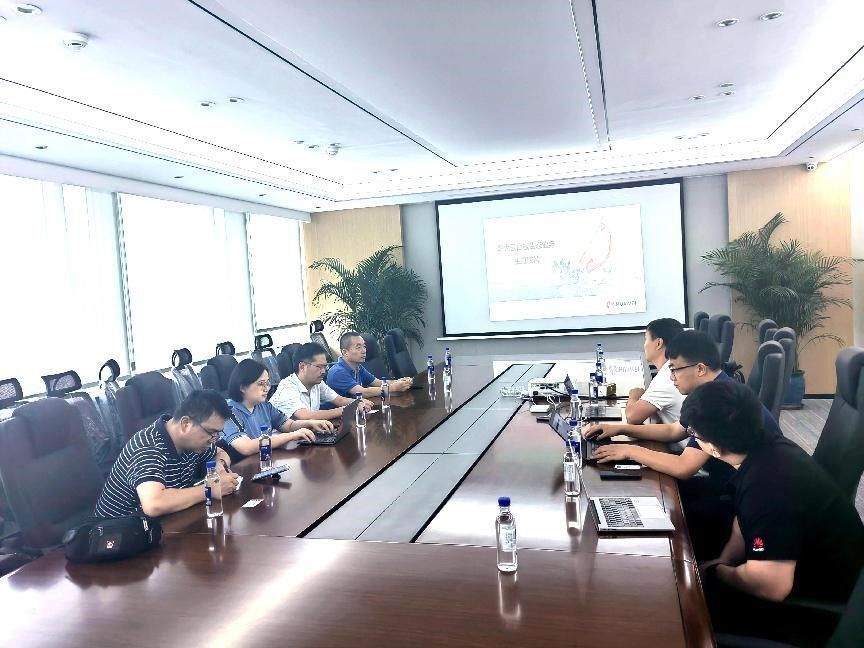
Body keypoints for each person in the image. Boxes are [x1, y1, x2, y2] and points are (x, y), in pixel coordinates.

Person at [687, 380, 864, 643]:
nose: (692, 439)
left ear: (713, 447)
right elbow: (744, 518)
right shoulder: (764, 447)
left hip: (822, 604)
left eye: (694, 434)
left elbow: (772, 585)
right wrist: (724, 560)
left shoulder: (766, 486)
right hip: (808, 566)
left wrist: (716, 573)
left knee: (681, 608)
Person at [586, 330, 781, 480]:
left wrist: (630, 451)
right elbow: (674, 431)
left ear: (700, 369)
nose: (672, 377)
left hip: (749, 491)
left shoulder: (716, 403)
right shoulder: (717, 389)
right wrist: (620, 429)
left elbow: (684, 467)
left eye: (674, 370)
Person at [94, 389, 240, 518]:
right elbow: (154, 504)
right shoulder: (148, 446)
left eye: (217, 434)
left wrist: (220, 468)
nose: (214, 439)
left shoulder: (193, 443)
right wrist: (211, 488)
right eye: (211, 433)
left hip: (164, 523)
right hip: (118, 532)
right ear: (185, 424)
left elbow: (220, 453)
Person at [219, 359, 333, 460]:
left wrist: (311, 423)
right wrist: (292, 435)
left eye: (268, 383)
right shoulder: (228, 412)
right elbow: (246, 447)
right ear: (243, 387)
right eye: (261, 384)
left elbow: (288, 425)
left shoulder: (264, 405)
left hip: (265, 461)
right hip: (243, 469)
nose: (267, 388)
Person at [270, 342, 372, 420]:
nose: (323, 371)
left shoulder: (316, 383)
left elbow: (339, 400)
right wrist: (350, 408)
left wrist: (358, 402)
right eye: (319, 366)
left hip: (306, 435)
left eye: (325, 366)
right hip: (279, 440)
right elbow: (305, 416)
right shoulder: (287, 388)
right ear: (302, 366)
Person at [625, 318, 685, 425]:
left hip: (681, 436)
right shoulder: (675, 368)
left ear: (658, 343)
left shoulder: (667, 377)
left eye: (646, 339)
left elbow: (632, 417)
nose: (644, 345)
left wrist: (634, 396)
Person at [326, 331, 413, 397]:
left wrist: (400, 381)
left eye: (364, 346)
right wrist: (393, 388)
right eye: (358, 347)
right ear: (345, 352)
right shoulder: (337, 372)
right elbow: (362, 392)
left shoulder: (358, 367)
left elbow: (377, 382)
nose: (364, 351)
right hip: (338, 415)